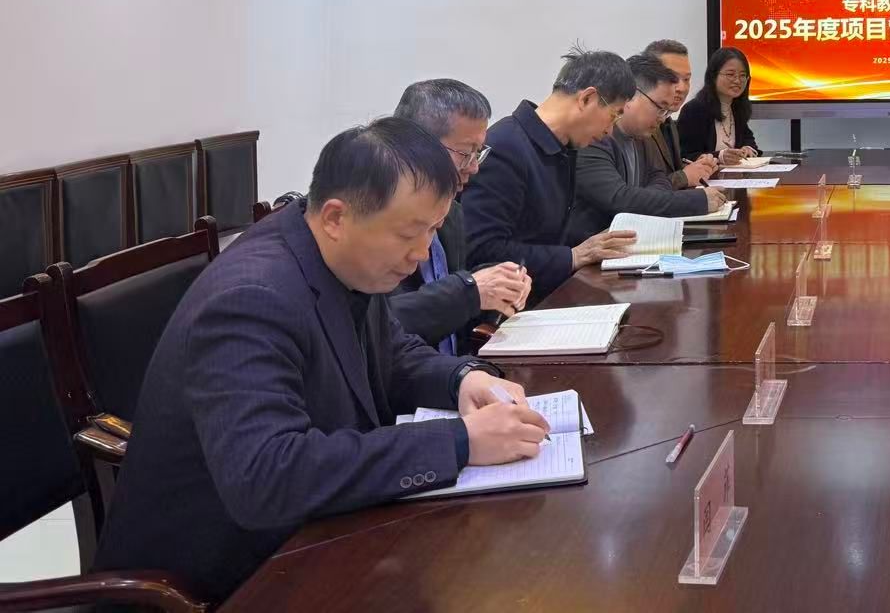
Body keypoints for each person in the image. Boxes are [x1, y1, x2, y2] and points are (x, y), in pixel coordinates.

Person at [94, 119, 554, 603]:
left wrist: (461, 378)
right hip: (215, 582)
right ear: (336, 217)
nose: (421, 255)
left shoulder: (340, 256)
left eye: (433, 230)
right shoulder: (252, 297)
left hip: (312, 537)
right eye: (409, 234)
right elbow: (267, 476)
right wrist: (459, 442)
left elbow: (391, 352)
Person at [461, 49, 640, 299]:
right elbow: (481, 251)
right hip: (514, 307)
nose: (610, 132)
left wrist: (594, 245)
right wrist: (572, 256)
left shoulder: (563, 148)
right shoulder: (506, 148)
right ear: (587, 99)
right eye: (612, 116)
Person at [388, 78, 531, 351]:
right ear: (415, 144)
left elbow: (446, 299)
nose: (474, 167)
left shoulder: (452, 212)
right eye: (465, 153)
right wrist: (469, 291)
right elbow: (380, 324)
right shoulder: (374, 218)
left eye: (479, 153)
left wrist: (494, 285)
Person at [570, 54, 730, 241]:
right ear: (631, 96)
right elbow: (619, 199)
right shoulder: (595, 136)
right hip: (593, 246)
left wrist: (645, 198)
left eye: (667, 111)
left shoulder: (643, 135)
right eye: (660, 107)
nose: (662, 118)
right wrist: (698, 200)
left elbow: (658, 177)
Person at [642, 38, 720, 189]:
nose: (682, 88)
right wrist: (684, 176)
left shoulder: (669, 121)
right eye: (672, 79)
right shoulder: (636, 124)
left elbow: (670, 170)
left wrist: (698, 167)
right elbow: (639, 189)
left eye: (686, 79)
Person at [678, 46, 760, 165]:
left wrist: (747, 148)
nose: (737, 81)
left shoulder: (737, 108)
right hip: (705, 176)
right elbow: (685, 156)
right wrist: (719, 156)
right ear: (713, 76)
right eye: (730, 74)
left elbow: (749, 140)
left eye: (743, 75)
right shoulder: (694, 110)